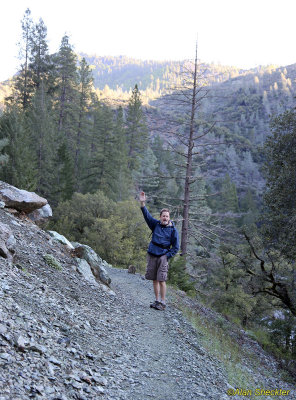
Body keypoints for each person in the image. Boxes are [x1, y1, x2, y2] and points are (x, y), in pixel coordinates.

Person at [139, 191, 179, 311]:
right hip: (152, 254)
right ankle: (156, 300)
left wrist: (166, 256)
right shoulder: (155, 224)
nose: (165, 218)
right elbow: (146, 215)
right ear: (160, 217)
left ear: (169, 218)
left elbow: (176, 247)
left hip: (163, 256)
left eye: (167, 216)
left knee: (161, 280)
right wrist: (142, 203)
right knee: (154, 279)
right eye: (163, 216)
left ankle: (163, 302)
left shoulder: (173, 230)